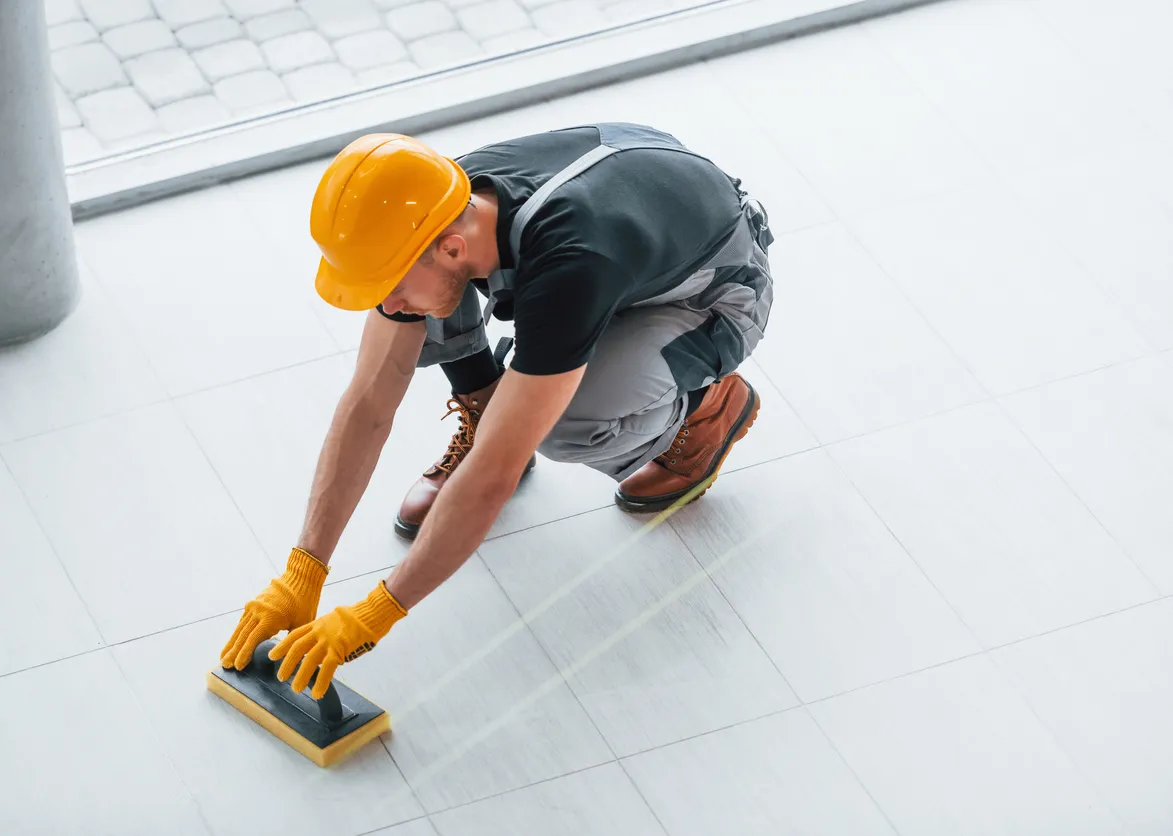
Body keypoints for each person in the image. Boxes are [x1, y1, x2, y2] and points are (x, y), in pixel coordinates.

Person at [219, 122, 775, 699]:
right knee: (429, 301)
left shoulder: (570, 266)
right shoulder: (432, 206)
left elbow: (493, 474)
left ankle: (707, 412)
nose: (385, 304)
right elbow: (368, 400)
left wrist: (378, 612)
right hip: (634, 233)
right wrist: (302, 571)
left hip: (715, 287)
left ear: (454, 246)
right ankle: (497, 405)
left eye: (387, 285)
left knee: (559, 426)